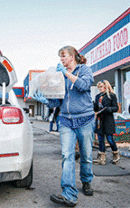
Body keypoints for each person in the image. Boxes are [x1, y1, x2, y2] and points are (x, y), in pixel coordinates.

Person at [33, 45, 95, 207]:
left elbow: (84, 86)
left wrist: (66, 74)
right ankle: (69, 193)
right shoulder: (58, 76)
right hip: (66, 120)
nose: (61, 59)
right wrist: (45, 99)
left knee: (86, 155)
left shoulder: (85, 70)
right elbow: (57, 101)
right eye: (60, 57)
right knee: (67, 156)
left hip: (85, 119)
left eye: (64, 56)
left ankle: (87, 180)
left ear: (73, 56)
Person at [93, 80, 120, 165]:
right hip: (99, 121)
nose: (100, 88)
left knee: (110, 139)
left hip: (108, 120)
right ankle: (101, 158)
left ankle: (116, 154)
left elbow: (116, 108)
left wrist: (108, 109)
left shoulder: (112, 95)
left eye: (101, 86)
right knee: (100, 140)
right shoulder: (97, 96)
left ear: (106, 86)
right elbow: (96, 108)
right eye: (99, 87)